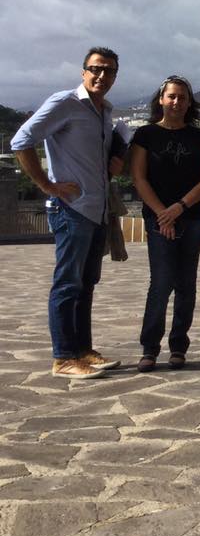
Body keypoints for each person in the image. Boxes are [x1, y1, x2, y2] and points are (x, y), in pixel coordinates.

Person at [12, 47, 124, 378]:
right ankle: (63, 357)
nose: (102, 76)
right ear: (83, 71)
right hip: (71, 209)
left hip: (96, 209)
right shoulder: (65, 102)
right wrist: (46, 184)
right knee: (67, 284)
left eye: (109, 71)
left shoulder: (104, 110)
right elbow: (21, 140)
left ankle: (83, 351)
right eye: (96, 69)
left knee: (86, 283)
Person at [131, 76, 200, 372]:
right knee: (162, 282)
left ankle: (179, 346)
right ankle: (150, 347)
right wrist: (162, 214)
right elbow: (139, 177)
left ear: (189, 102)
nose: (176, 102)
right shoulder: (145, 135)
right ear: (161, 100)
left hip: (190, 218)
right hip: (158, 219)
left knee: (186, 284)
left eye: (182, 97)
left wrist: (178, 208)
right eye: (171, 97)